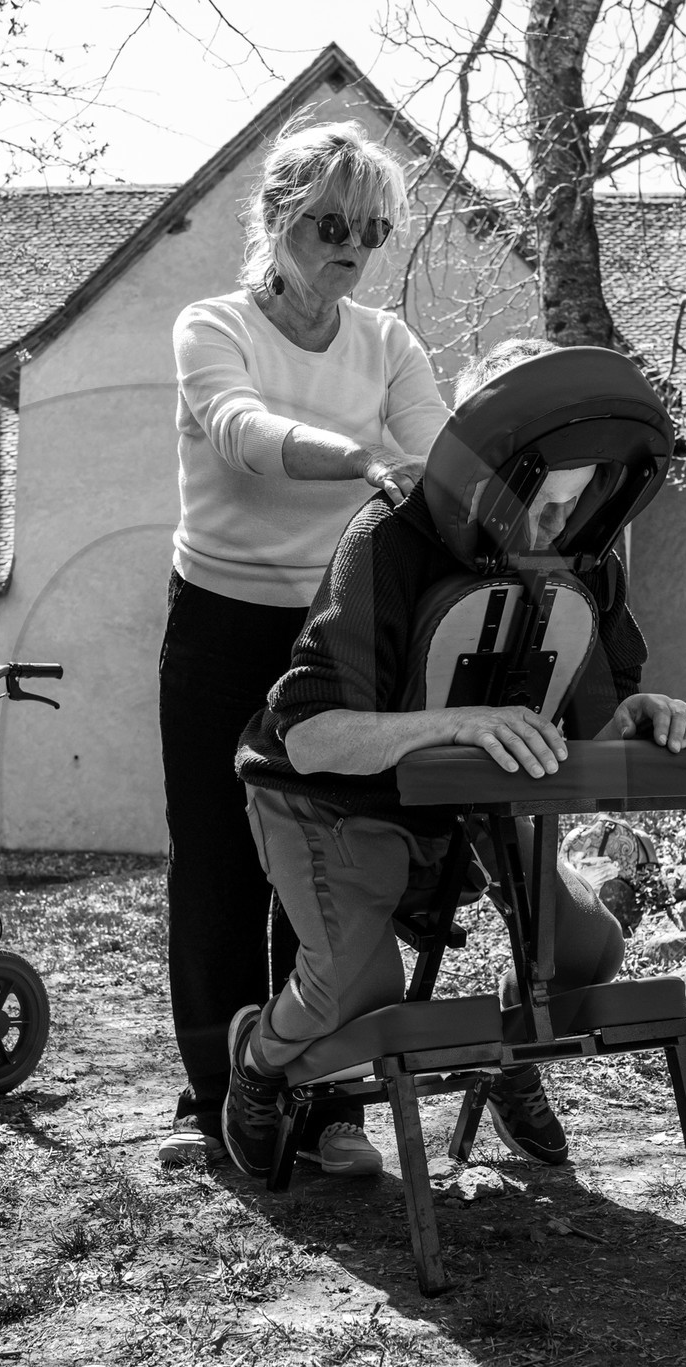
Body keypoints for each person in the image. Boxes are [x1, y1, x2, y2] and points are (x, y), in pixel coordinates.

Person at [222, 337, 686, 1178]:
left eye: (576, 501)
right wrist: (456, 721)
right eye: (541, 504)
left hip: (470, 798)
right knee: (355, 998)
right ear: (486, 470)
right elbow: (308, 733)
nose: (559, 524)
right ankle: (256, 1066)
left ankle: (511, 1059)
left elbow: (596, 711)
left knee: (587, 953)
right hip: (328, 800)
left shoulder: (587, 559)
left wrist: (641, 714)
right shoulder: (388, 538)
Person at [158, 118, 448, 1176]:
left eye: (368, 231)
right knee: (220, 859)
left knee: (325, 863)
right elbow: (239, 432)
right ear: (276, 215)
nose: (349, 248)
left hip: (338, 632)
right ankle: (217, 1091)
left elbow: (443, 466)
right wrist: (363, 458)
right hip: (219, 622)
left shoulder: (388, 345)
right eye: (329, 223)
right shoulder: (212, 325)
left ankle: (324, 1097)